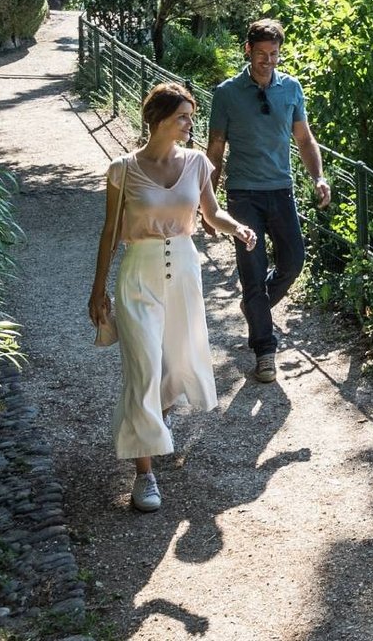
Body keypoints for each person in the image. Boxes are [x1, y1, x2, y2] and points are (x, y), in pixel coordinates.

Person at [90, 83, 256, 513]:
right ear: (159, 119)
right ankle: (144, 473)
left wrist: (236, 227)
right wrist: (98, 288)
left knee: (176, 365)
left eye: (191, 115)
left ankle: (152, 417)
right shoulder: (122, 169)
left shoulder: (199, 163)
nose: (190, 123)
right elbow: (110, 232)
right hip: (137, 274)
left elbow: (211, 212)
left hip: (183, 269)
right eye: (183, 115)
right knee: (143, 368)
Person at [206, 18, 331, 385]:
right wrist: (208, 204)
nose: (267, 61)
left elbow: (305, 141)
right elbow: (215, 150)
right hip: (243, 195)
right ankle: (264, 349)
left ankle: (254, 306)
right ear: (248, 50)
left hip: (281, 190)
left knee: (294, 261)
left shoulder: (291, 88)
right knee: (252, 272)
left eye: (273, 54)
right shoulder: (227, 93)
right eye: (261, 54)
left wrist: (318, 177)